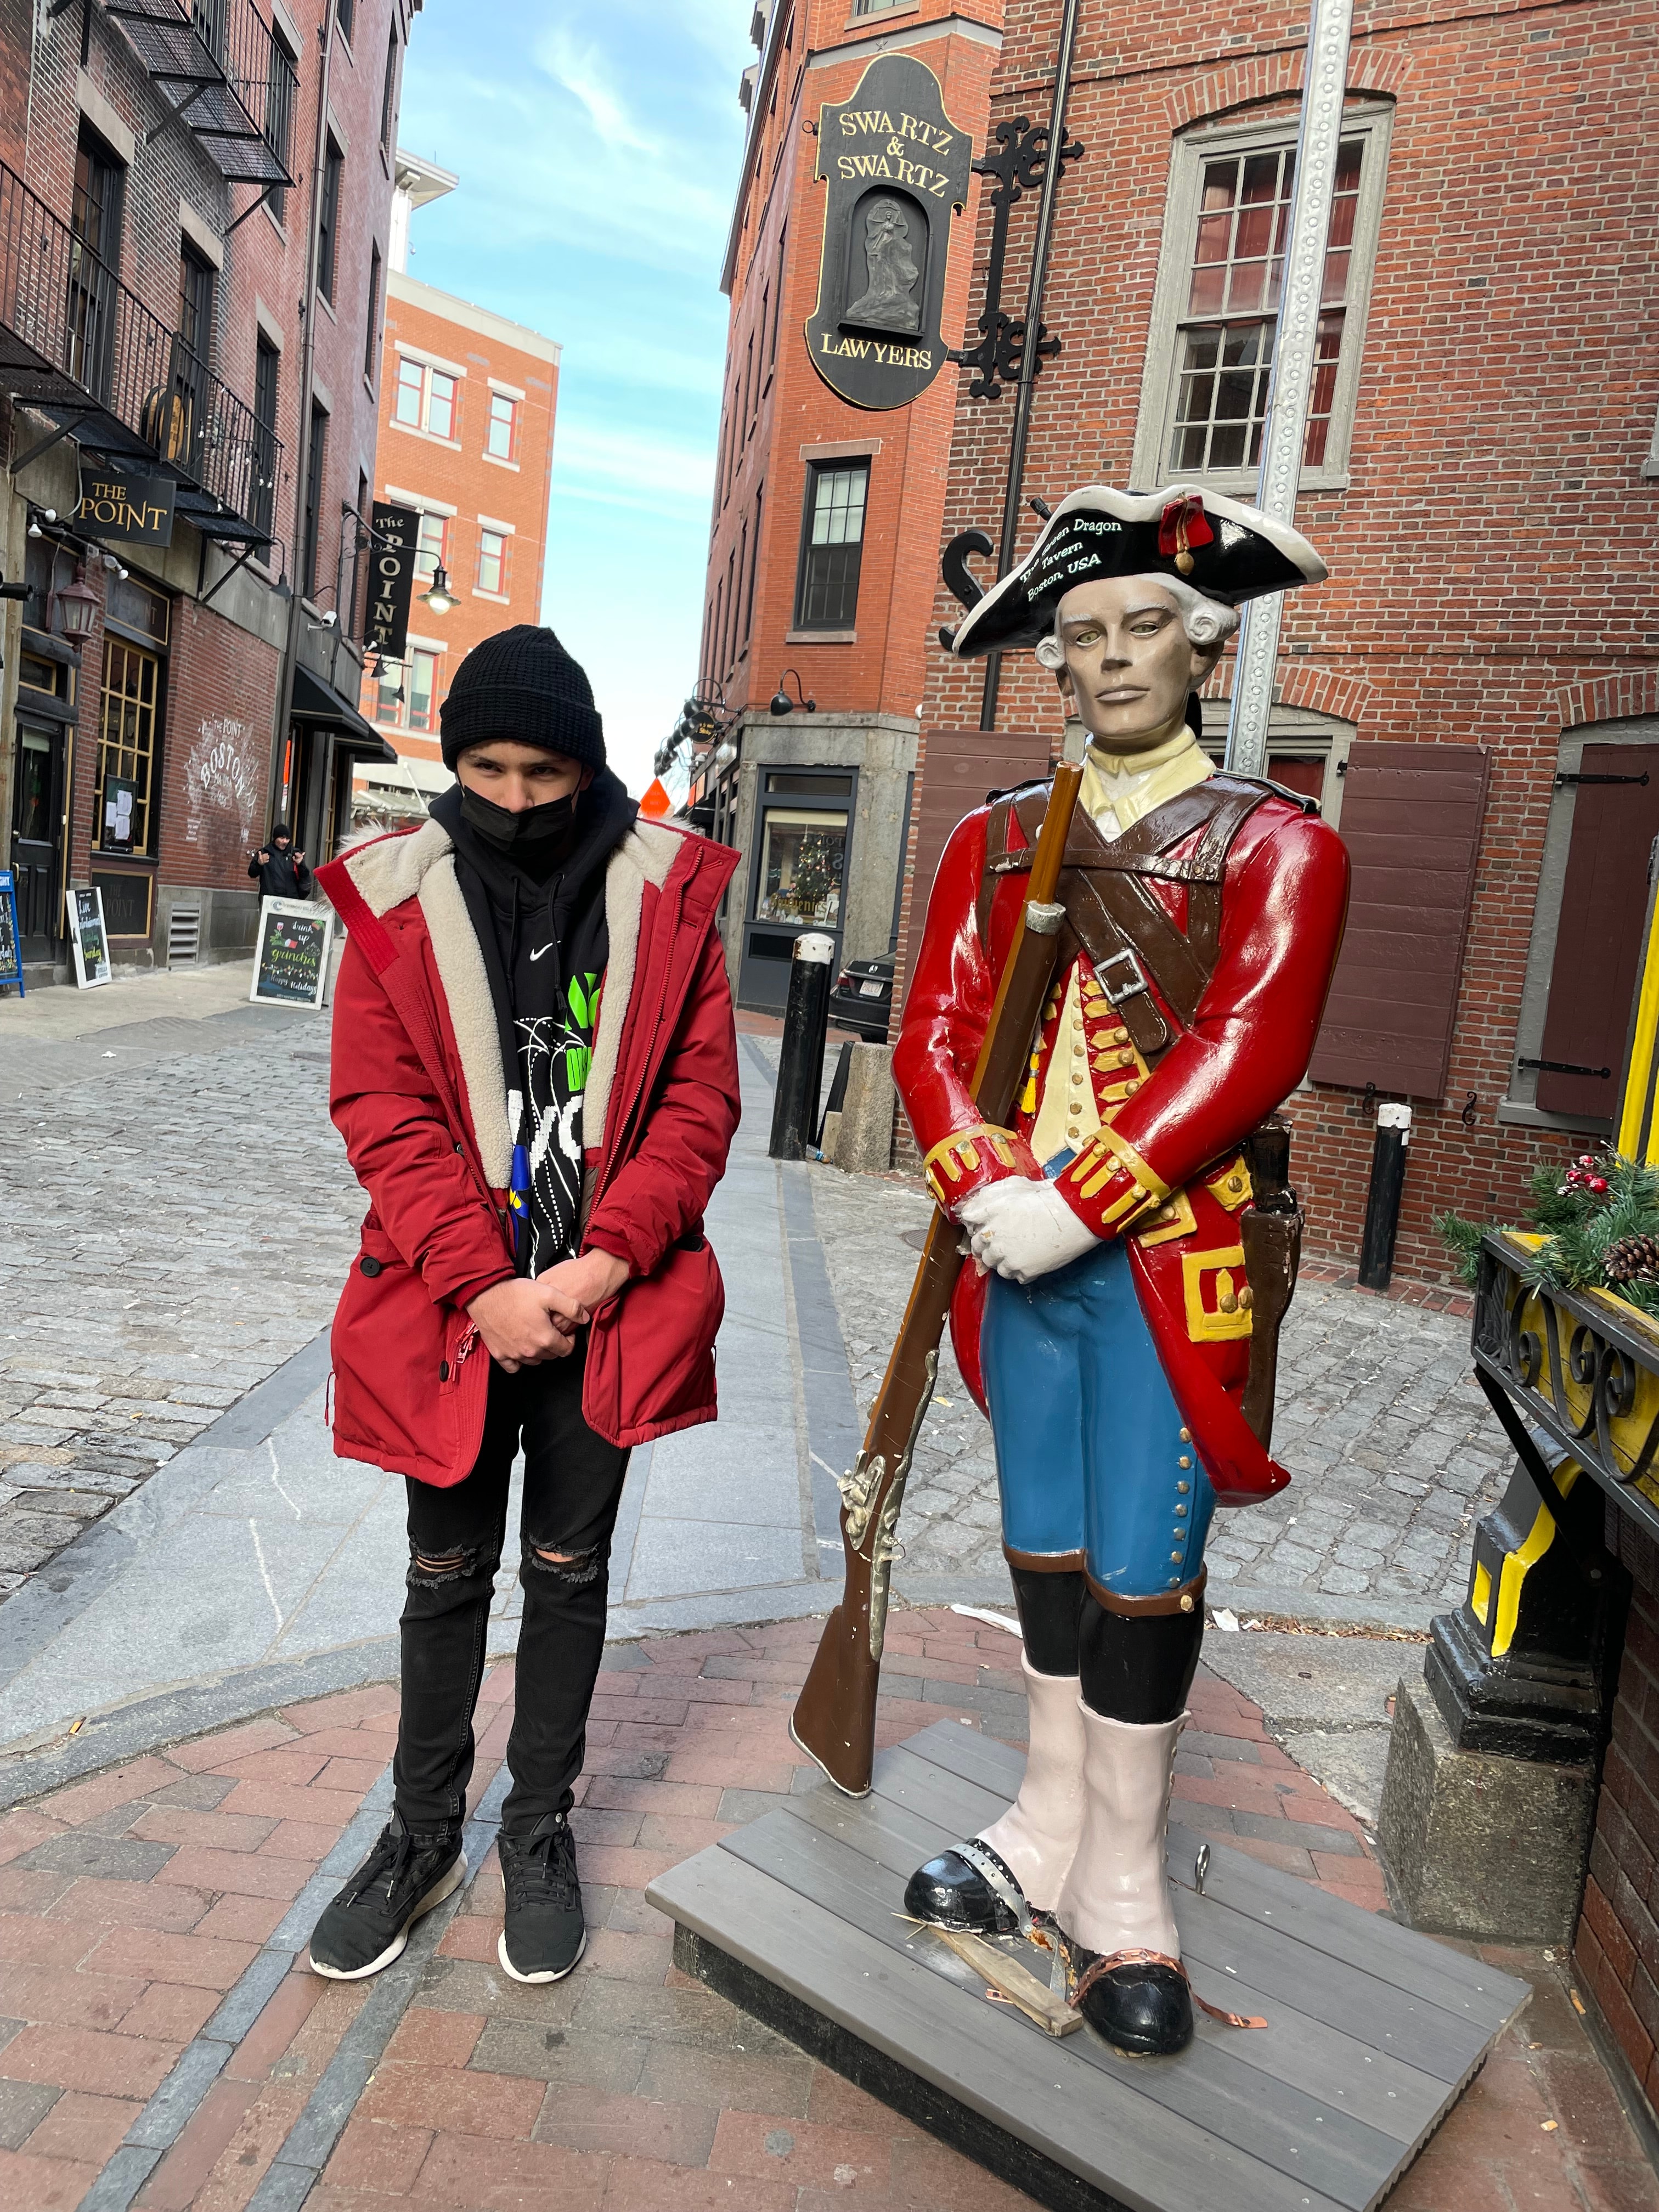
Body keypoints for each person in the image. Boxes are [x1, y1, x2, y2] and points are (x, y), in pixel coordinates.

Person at [894, 486, 1350, 2057]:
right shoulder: (996, 841)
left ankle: (1127, 1884)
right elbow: (937, 1036)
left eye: (1142, 624)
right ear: (1056, 667)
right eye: (1082, 636)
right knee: (1041, 1554)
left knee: (1145, 1577)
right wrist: (982, 1180)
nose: (1111, 657)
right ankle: (1040, 1824)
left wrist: (1082, 1199)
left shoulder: (1280, 847)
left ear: (1202, 638)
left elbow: (1245, 1050)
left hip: (1166, 1261)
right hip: (1016, 1257)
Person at [306, 624, 740, 1987]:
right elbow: (380, 1110)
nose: (510, 796)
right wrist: (486, 1285)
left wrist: (599, 1265)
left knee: (570, 1579)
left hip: (603, 1308)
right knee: (442, 1581)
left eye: (541, 770)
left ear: (587, 765)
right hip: (454, 1312)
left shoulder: (664, 895)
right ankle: (421, 1829)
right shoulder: (395, 899)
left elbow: (700, 1101)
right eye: (484, 764)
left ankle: (535, 1827)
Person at [248, 822, 312, 900]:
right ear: (275, 838)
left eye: (287, 839)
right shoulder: (264, 853)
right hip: (269, 900)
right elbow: (252, 873)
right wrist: (259, 864)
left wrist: (301, 864)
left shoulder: (295, 854)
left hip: (290, 900)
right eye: (282, 838)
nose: (285, 841)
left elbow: (305, 877)